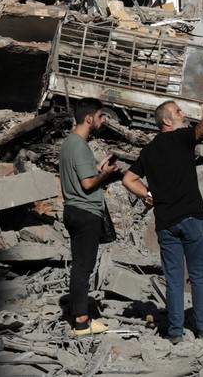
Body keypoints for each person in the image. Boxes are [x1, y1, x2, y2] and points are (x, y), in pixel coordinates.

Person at [122, 91, 203, 343]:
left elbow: (128, 179)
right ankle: (202, 327)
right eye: (179, 112)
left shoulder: (147, 152)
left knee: (173, 278)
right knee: (199, 275)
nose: (184, 115)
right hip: (192, 218)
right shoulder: (181, 138)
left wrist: (146, 194)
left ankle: (175, 332)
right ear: (167, 121)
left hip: (166, 223)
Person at [59, 98, 119, 335]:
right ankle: (82, 321)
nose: (103, 120)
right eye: (101, 115)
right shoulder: (81, 145)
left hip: (73, 210)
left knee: (79, 265)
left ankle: (80, 315)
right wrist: (104, 175)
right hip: (86, 212)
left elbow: (79, 177)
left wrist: (97, 169)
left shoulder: (68, 144)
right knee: (83, 268)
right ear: (89, 118)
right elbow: (87, 184)